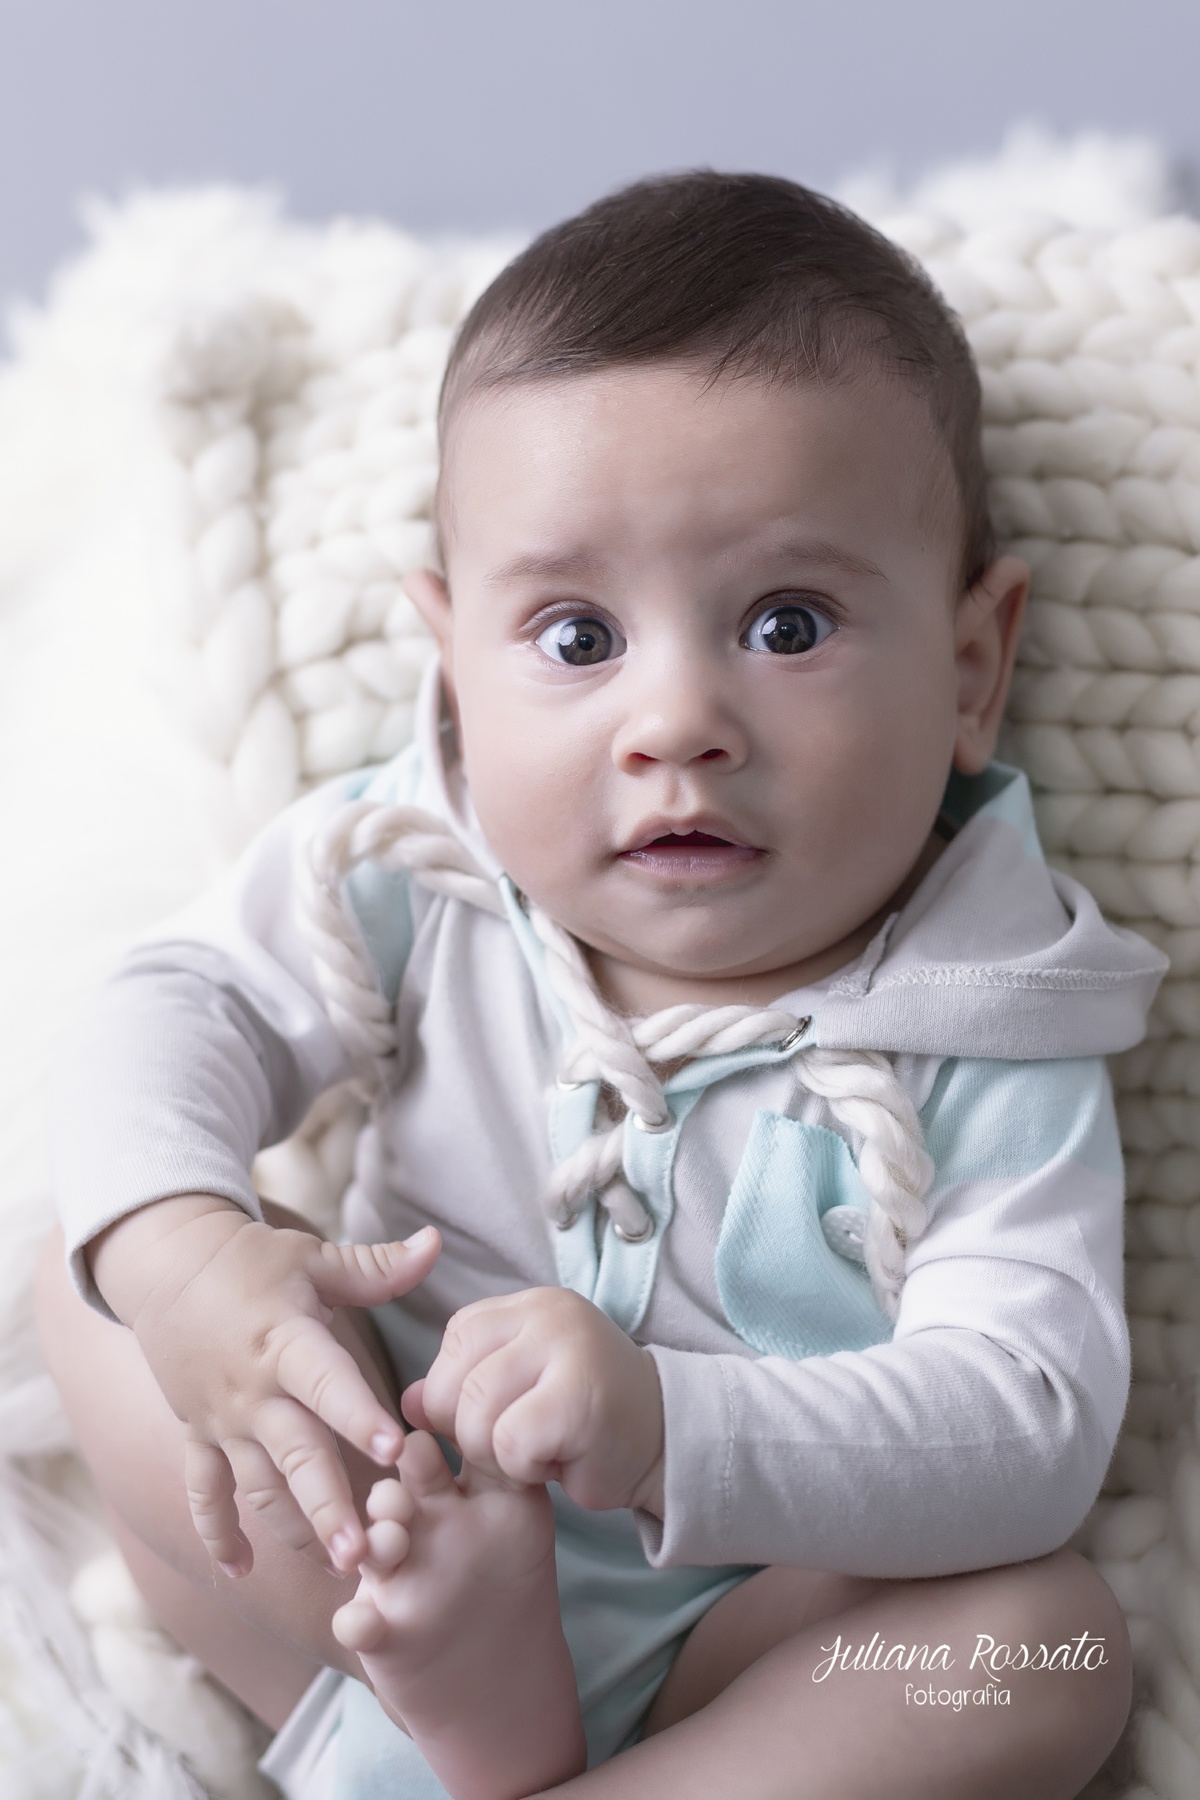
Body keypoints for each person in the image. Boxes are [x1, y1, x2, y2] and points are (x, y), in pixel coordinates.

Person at [36, 171, 1168, 1800]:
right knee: (96, 1269)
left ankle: (516, 1773)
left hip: (739, 1647)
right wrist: (187, 1263)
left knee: (1043, 1647)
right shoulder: (412, 865)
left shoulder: (989, 1007)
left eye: (788, 623)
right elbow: (172, 1008)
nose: (676, 721)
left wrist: (664, 1427)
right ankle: (428, 1707)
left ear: (971, 669)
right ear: (454, 664)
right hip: (374, 1544)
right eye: (576, 638)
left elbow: (1028, 1417)